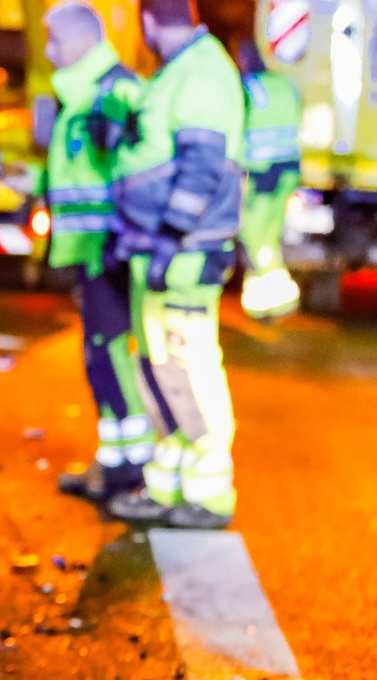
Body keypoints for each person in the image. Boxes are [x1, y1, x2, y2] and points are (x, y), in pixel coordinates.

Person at [103, 0, 246, 530]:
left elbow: (203, 165)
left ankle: (210, 495)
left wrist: (169, 233)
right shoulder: (185, 70)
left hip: (184, 249)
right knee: (162, 369)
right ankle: (169, 486)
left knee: (189, 367)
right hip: (163, 249)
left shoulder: (201, 72)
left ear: (146, 22)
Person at [36, 1, 156, 503]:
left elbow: (141, 166)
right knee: (99, 359)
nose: (48, 52)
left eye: (56, 41)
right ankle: (113, 465)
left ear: (83, 42)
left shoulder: (117, 91)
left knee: (110, 356)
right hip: (93, 249)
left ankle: (132, 470)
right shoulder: (85, 95)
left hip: (113, 249)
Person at [235, 37, 302, 320]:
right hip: (288, 170)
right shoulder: (284, 85)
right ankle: (271, 301)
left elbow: (238, 131)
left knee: (256, 237)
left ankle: (272, 305)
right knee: (270, 233)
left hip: (261, 173)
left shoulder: (248, 90)